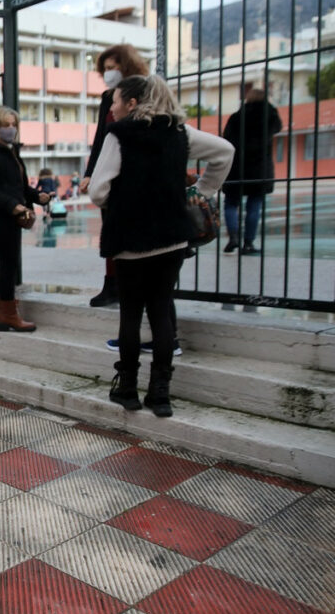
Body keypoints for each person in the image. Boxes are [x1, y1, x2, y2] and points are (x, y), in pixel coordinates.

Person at [89, 75, 233, 418]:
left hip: (130, 240)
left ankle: (127, 390)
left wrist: (121, 198)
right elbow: (225, 151)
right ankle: (160, 395)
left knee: (130, 315)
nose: (113, 107)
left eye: (117, 100)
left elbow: (97, 191)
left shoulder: (119, 134)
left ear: (133, 104)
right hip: (172, 238)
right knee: (161, 312)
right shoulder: (180, 133)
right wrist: (204, 190)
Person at [81, 44, 150, 307]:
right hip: (109, 172)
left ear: (127, 65)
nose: (108, 73)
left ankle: (131, 286)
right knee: (110, 230)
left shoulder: (146, 91)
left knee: (133, 233)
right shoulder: (108, 97)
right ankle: (111, 285)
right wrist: (90, 173)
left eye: (113, 67)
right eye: (105, 69)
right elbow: (100, 137)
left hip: (134, 173)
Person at [0, 106, 50, 332]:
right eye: (6, 125)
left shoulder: (11, 151)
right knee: (7, 264)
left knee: (9, 263)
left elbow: (18, 185)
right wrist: (12, 205)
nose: (11, 129)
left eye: (14, 125)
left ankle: (6, 314)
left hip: (12, 215)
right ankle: (7, 314)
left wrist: (38, 196)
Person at [221, 87, 282, 255]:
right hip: (259, 167)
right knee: (254, 205)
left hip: (236, 166)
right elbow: (278, 127)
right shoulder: (269, 115)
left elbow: (225, 139)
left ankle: (233, 237)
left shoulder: (237, 117)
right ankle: (248, 243)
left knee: (231, 203)